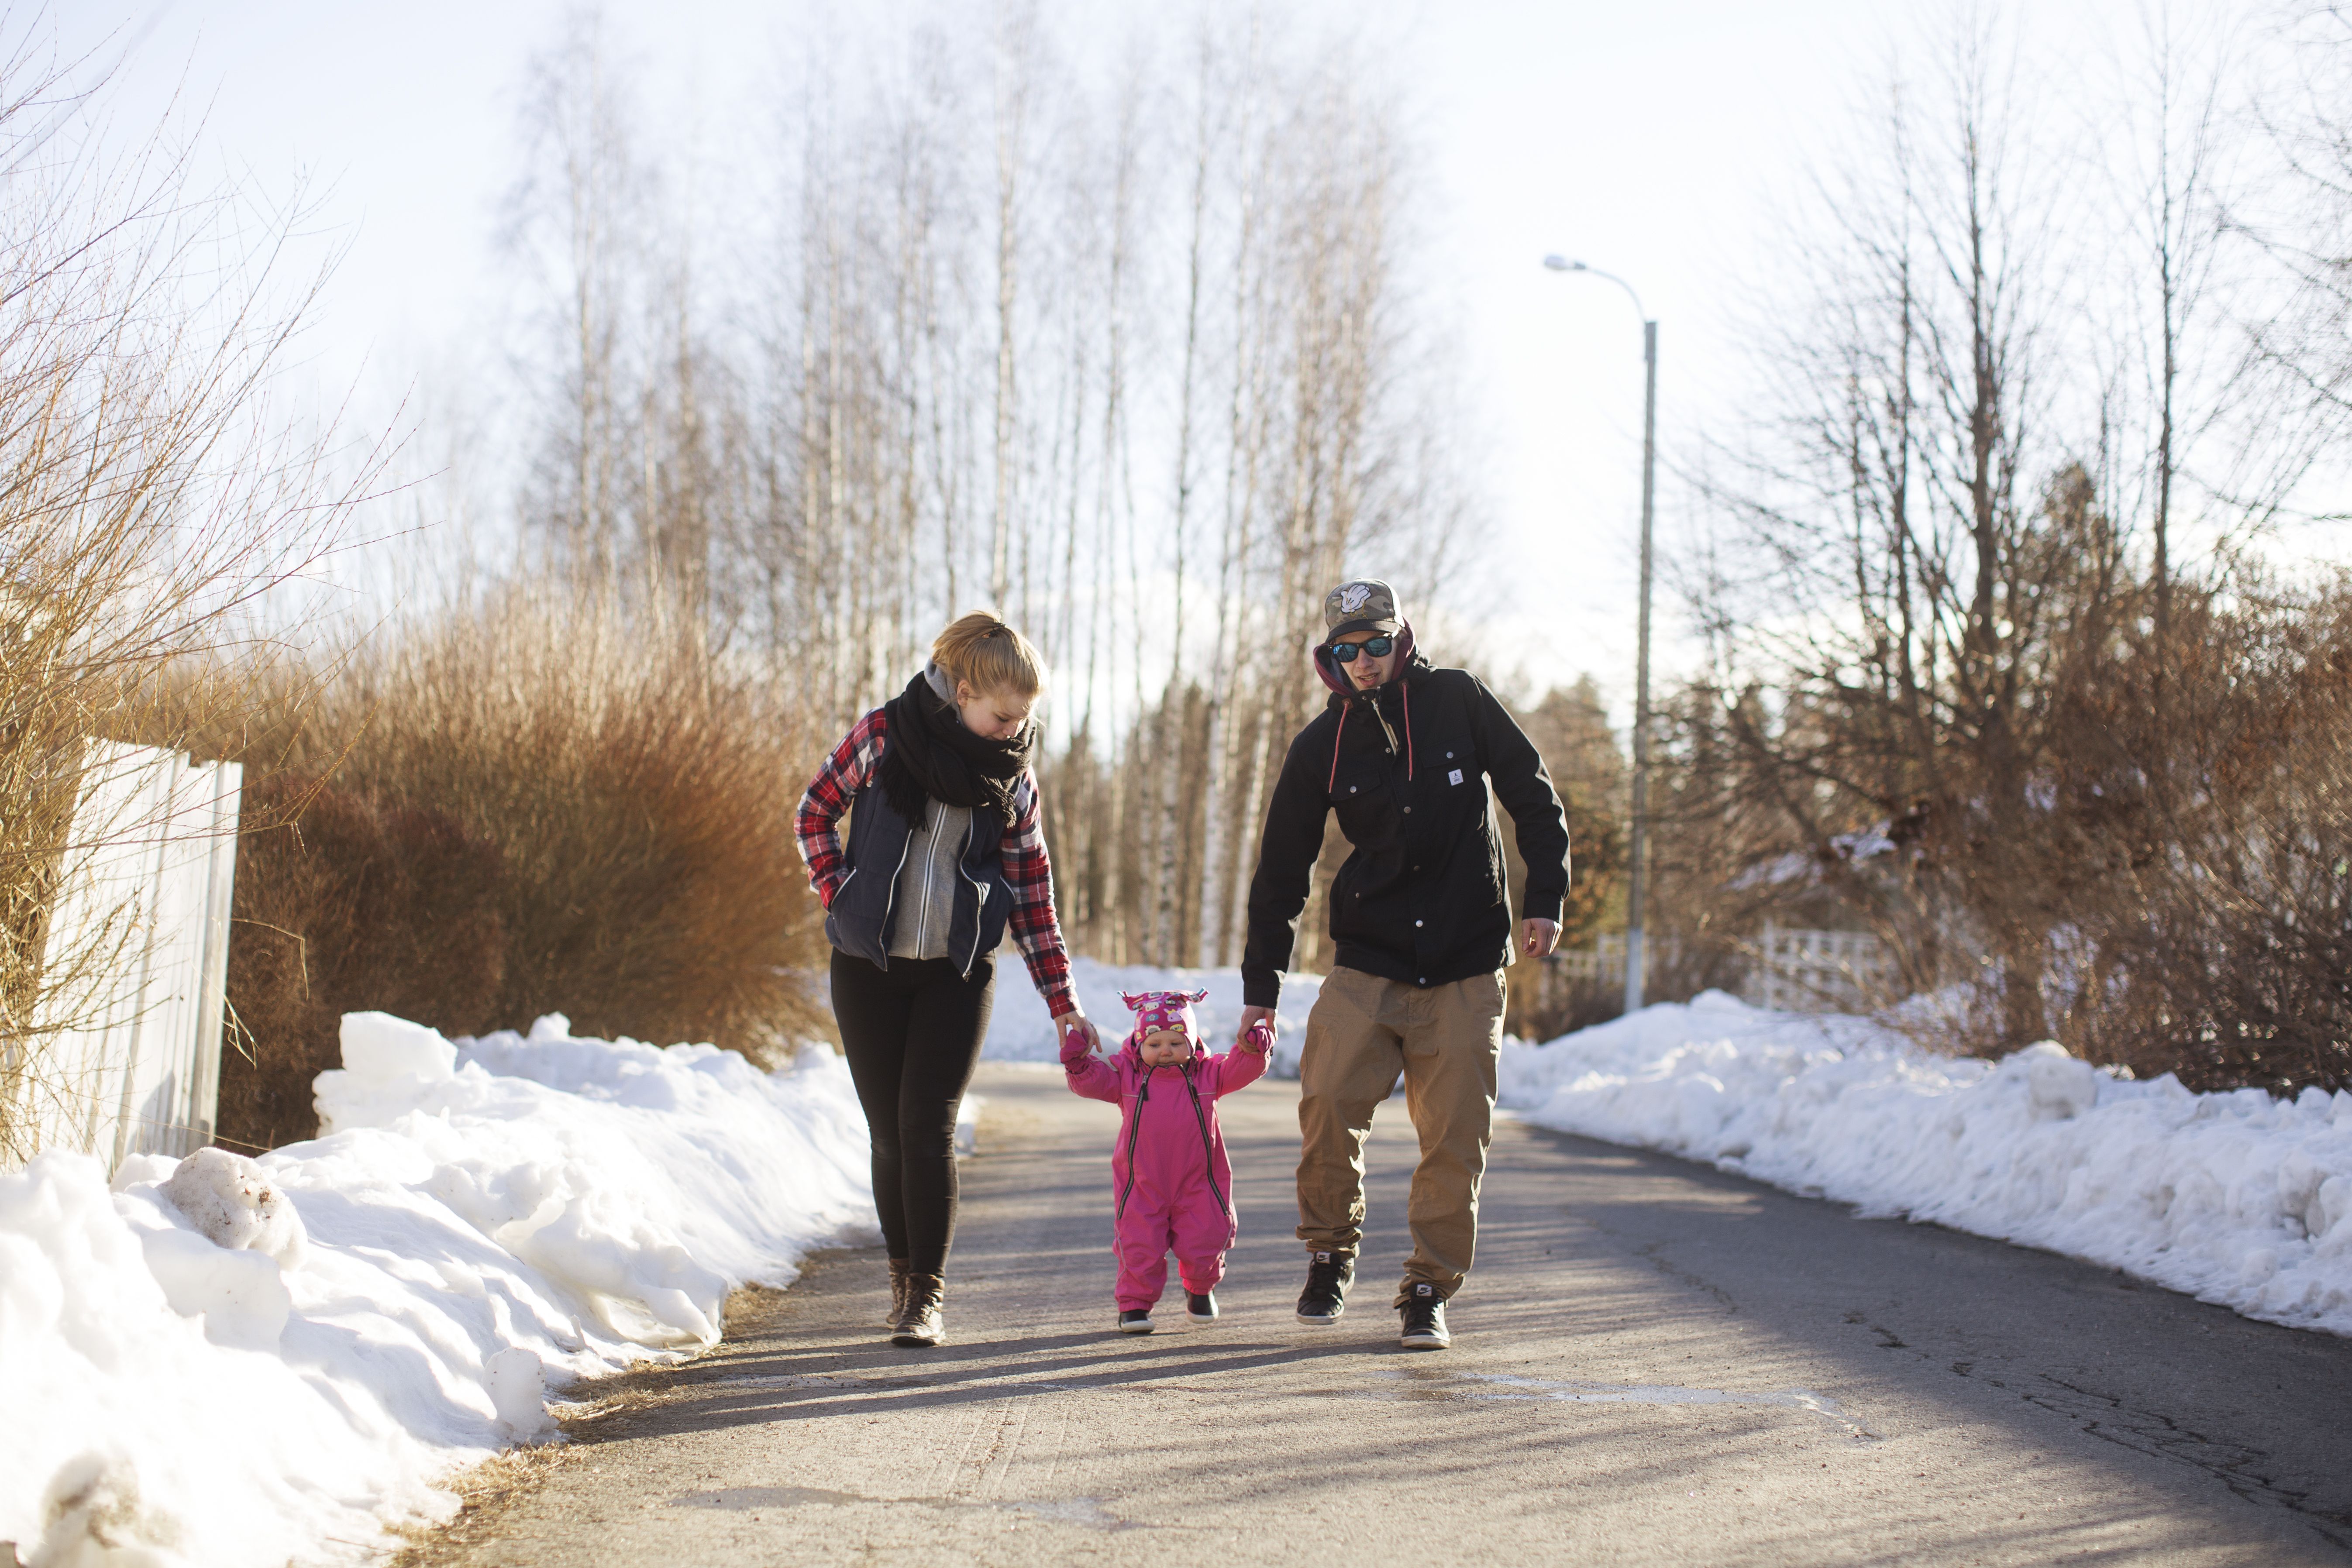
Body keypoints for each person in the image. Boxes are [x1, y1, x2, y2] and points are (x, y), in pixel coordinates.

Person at [1237, 579, 1568, 1351]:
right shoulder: (1321, 744)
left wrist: (1544, 896)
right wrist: (1263, 987)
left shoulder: (1458, 700)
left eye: (1375, 645)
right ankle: (1329, 1254)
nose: (1362, 662)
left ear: (1402, 638)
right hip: (1368, 960)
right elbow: (1280, 870)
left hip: (1463, 961)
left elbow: (1533, 794)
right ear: (1330, 658)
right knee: (1325, 1105)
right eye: (1345, 651)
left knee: (1454, 1136)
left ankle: (1427, 1286)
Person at [796, 611, 1099, 1348]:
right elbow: (814, 812)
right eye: (1001, 715)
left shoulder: (1013, 781)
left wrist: (1064, 1004)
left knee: (927, 1127)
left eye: (1023, 719)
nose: (1011, 730)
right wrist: (842, 892)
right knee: (888, 1134)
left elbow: (1032, 896)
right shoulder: (881, 737)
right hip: (869, 968)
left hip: (957, 975)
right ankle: (901, 1276)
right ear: (963, 691)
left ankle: (927, 1296)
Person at [1061, 989, 1274, 1334]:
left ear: (1190, 1043)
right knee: (1138, 1242)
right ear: (1139, 1044)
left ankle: (1200, 1290)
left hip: (1199, 1182)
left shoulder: (1208, 1075)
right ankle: (1134, 1305)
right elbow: (1092, 1082)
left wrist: (1254, 1048)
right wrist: (1077, 1063)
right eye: (1154, 1044)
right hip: (1143, 1183)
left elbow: (1242, 1069)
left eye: (1175, 1043)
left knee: (1207, 1237)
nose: (1164, 1051)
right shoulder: (1126, 1077)